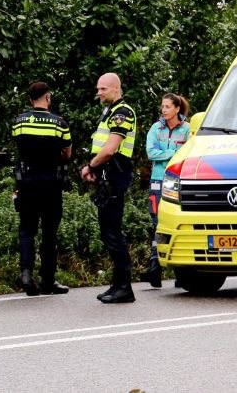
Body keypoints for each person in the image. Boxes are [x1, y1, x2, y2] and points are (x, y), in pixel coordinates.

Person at [79, 72, 138, 304]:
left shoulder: (123, 112)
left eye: (102, 89)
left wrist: (89, 166)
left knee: (113, 232)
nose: (99, 93)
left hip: (116, 175)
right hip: (108, 176)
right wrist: (96, 169)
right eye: (98, 89)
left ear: (115, 88)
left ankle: (124, 287)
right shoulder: (111, 111)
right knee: (108, 230)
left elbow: (110, 149)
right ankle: (117, 284)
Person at [11, 81, 72, 296]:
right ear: (48, 97)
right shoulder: (59, 123)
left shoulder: (19, 121)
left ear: (30, 99)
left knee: (27, 229)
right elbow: (67, 153)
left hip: (26, 181)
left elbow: (18, 146)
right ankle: (48, 280)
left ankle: (26, 274)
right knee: (49, 232)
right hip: (51, 182)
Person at [142, 92, 190, 288]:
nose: (164, 110)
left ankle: (182, 271)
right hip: (157, 180)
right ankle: (155, 267)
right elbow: (151, 153)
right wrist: (174, 153)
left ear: (177, 109)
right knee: (156, 221)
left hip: (178, 180)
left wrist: (167, 154)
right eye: (162, 107)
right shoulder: (156, 128)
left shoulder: (187, 130)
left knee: (178, 222)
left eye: (168, 107)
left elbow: (188, 153)